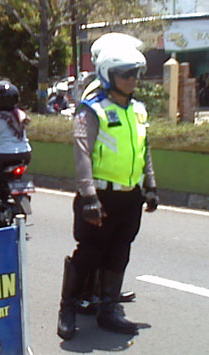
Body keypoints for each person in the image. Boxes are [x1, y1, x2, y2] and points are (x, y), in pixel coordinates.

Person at [57, 42, 159, 340]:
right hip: (100, 197)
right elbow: (82, 155)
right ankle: (68, 308)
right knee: (89, 253)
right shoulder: (92, 110)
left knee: (119, 252)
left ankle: (108, 309)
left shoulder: (138, 110)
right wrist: (88, 196)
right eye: (125, 74)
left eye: (135, 74)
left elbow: (145, 151)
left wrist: (150, 185)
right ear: (108, 75)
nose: (132, 79)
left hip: (130, 197)